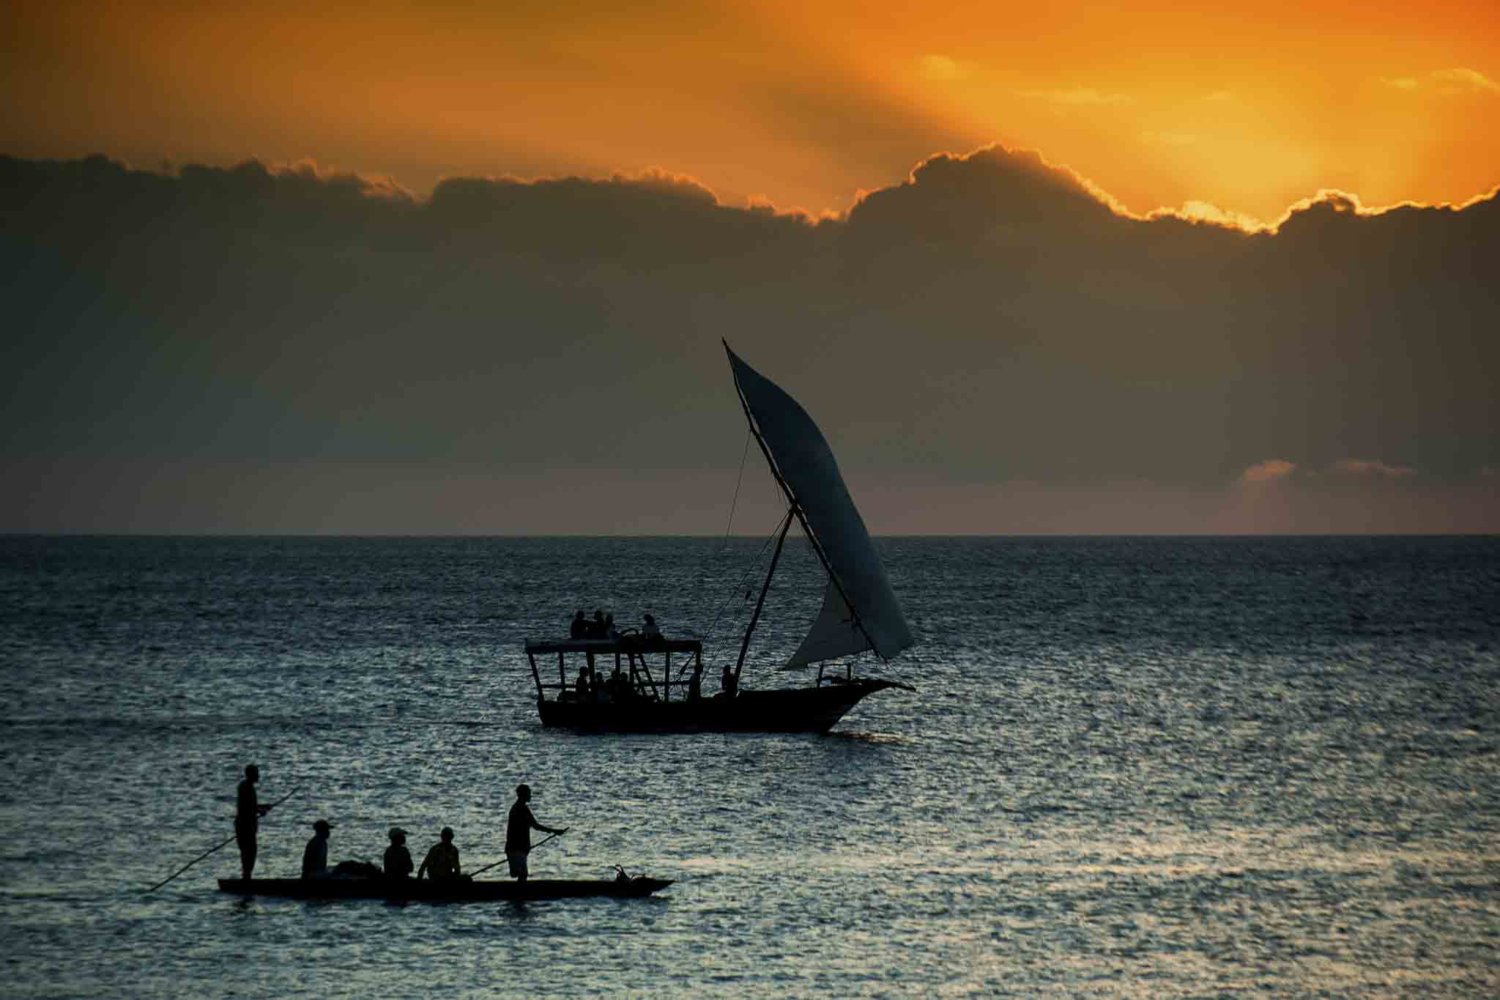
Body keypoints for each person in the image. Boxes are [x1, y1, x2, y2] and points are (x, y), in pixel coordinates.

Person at [505, 784, 566, 883]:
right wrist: (555, 831)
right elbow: (535, 826)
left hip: (517, 848)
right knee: (521, 874)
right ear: (523, 794)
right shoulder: (521, 809)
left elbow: (533, 825)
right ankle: (519, 896)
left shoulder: (519, 808)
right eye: (529, 793)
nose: (530, 795)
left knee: (521, 874)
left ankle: (519, 896)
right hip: (516, 848)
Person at [235, 763, 271, 881]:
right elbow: (248, 807)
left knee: (249, 852)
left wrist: (262, 807)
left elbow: (251, 806)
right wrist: (261, 811)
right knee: (248, 853)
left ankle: (247, 877)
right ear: (251, 774)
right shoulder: (246, 787)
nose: (258, 776)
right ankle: (246, 878)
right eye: (256, 774)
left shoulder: (246, 786)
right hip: (245, 827)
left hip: (246, 826)